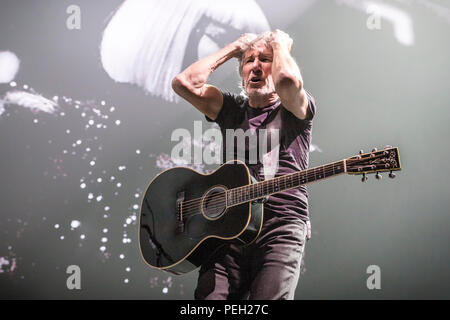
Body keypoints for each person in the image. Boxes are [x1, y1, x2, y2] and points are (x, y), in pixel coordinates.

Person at [172, 29, 316, 300]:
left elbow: (287, 80)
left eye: (266, 59)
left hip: (280, 225)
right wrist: (233, 48)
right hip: (228, 227)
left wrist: (280, 43)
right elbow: (184, 83)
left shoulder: (293, 109)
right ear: (241, 71)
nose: (256, 66)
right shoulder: (231, 108)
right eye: (249, 60)